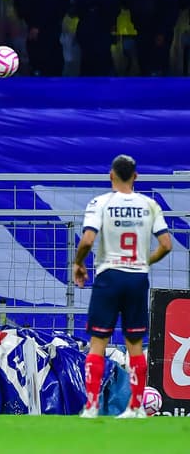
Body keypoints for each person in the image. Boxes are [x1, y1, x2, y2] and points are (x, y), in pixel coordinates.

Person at [73, 154, 172, 418]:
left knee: (98, 343)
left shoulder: (100, 203)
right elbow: (166, 244)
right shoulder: (149, 205)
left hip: (109, 276)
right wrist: (145, 261)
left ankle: (91, 406)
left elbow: (87, 240)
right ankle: (135, 408)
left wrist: (78, 263)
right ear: (136, 177)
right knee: (135, 344)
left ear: (111, 175)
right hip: (136, 278)